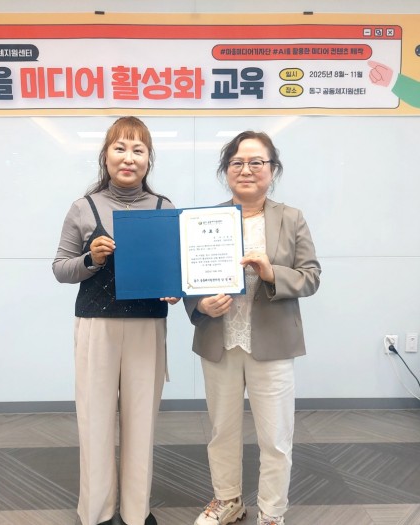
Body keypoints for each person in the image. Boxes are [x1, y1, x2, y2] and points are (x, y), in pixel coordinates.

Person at [184, 131, 321, 525]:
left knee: (275, 437)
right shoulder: (203, 220)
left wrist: (271, 272)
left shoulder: (291, 218)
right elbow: (186, 279)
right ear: (226, 170)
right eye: (237, 162)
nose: (246, 170)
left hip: (273, 343)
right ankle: (227, 500)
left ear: (272, 169)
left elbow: (311, 276)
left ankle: (272, 512)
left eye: (256, 162)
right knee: (221, 430)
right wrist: (200, 304)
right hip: (220, 339)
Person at [53, 116, 179, 525]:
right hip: (97, 325)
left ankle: (137, 512)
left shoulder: (163, 208)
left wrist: (175, 288)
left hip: (147, 325)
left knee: (142, 422)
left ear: (148, 159)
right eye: (120, 148)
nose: (129, 158)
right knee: (95, 419)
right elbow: (60, 268)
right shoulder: (83, 207)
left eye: (138, 150)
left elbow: (176, 269)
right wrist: (90, 259)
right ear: (105, 156)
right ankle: (96, 511)